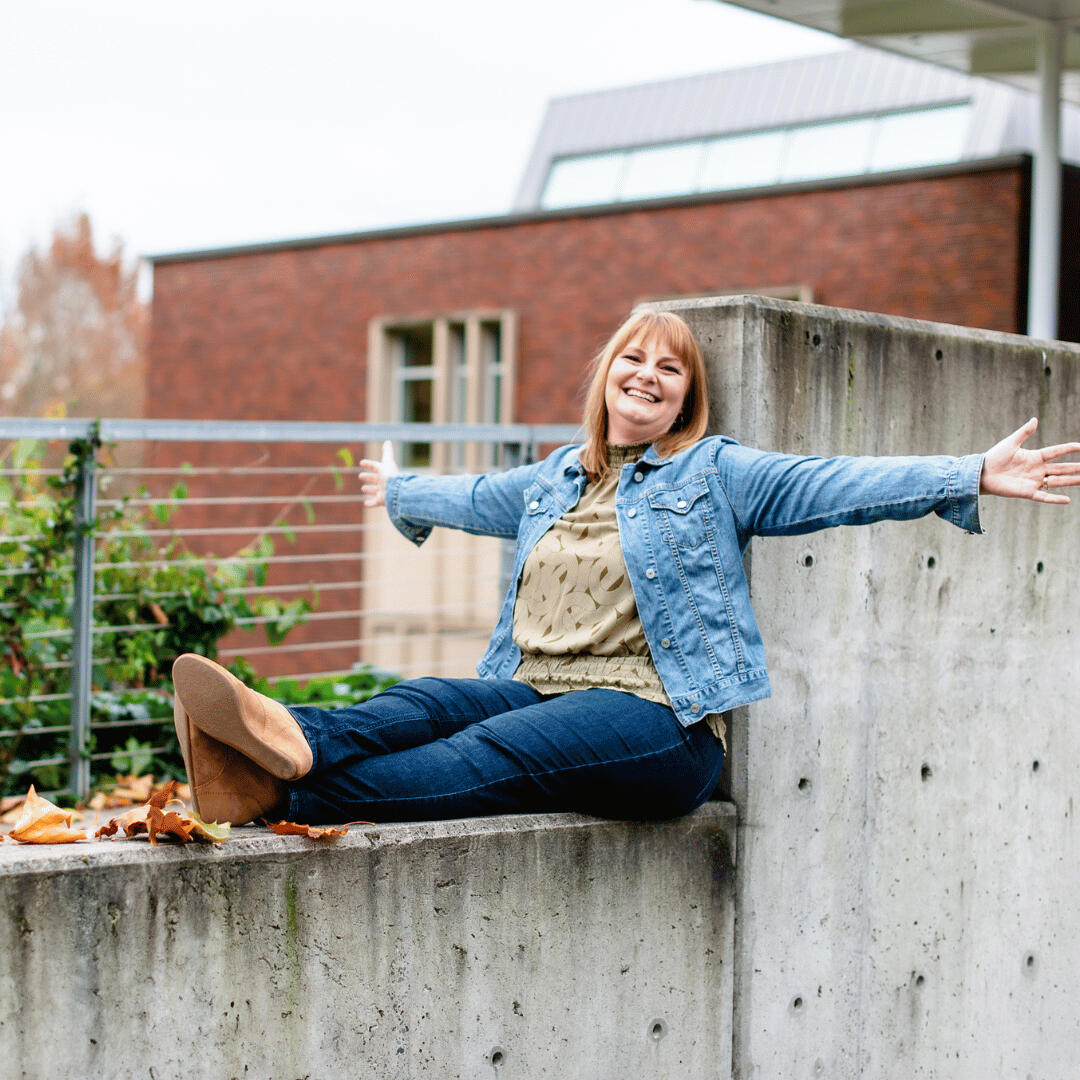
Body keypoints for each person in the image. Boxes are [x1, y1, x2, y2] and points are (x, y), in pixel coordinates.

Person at [171, 310, 1080, 826]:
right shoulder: (554, 481)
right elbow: (474, 493)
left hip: (660, 726)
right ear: (607, 374)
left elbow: (827, 483)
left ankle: (282, 789)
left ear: (687, 397)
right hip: (537, 688)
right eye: (634, 360)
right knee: (430, 702)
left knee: (485, 750)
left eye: (671, 371)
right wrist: (402, 489)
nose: (649, 376)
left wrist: (969, 474)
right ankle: (288, 738)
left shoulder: (711, 472)